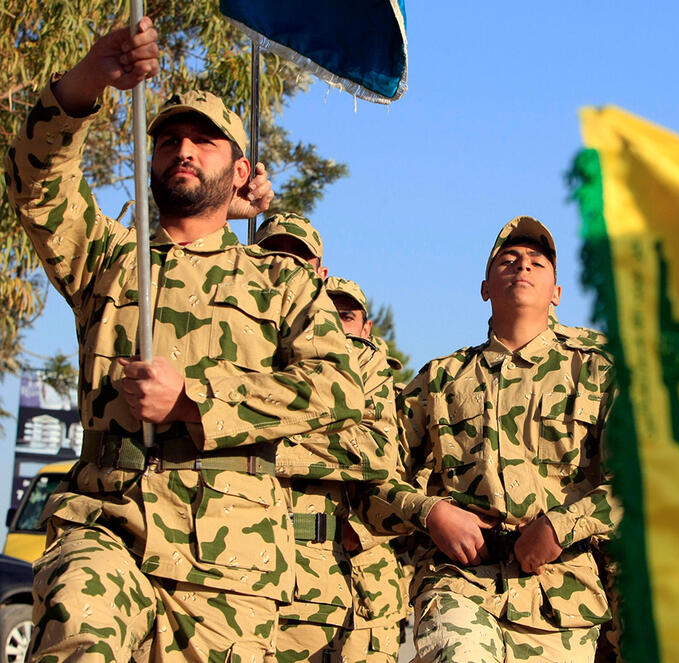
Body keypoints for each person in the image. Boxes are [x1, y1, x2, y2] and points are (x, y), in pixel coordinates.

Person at [5, 19, 367, 662]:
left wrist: (194, 400)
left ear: (241, 168)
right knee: (77, 638)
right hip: (108, 525)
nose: (184, 149)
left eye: (205, 139)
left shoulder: (279, 279)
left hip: (232, 561)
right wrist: (90, 77)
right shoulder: (108, 258)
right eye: (169, 139)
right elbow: (38, 185)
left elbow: (337, 387)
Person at [373, 215, 620, 663]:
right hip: (459, 582)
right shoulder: (441, 378)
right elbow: (376, 473)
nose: (521, 266)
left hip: (562, 598)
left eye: (536, 262)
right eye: (507, 260)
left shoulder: (597, 371)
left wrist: (559, 527)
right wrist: (431, 513)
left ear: (557, 294)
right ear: (485, 287)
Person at [253, 216, 407, 662]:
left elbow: (379, 455)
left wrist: (255, 442)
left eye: (348, 315)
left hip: (334, 576)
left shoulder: (364, 364)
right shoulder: (245, 343)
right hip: (234, 561)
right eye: (272, 253)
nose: (284, 265)